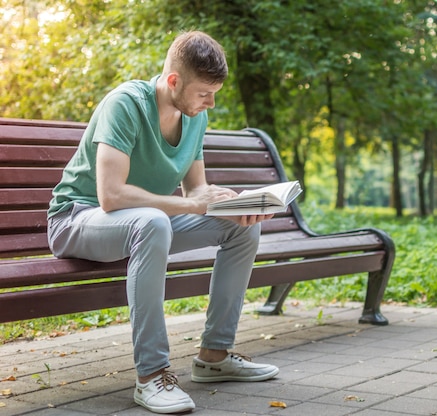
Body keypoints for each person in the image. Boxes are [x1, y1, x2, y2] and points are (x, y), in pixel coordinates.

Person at [47, 31, 279, 414]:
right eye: (204, 92)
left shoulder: (195, 117)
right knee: (153, 222)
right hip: (78, 219)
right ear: (174, 81)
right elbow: (111, 196)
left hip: (141, 222)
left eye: (215, 93)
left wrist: (228, 204)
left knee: (242, 226)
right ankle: (151, 375)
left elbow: (196, 191)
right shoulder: (125, 104)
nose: (211, 102)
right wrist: (191, 205)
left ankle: (214, 356)